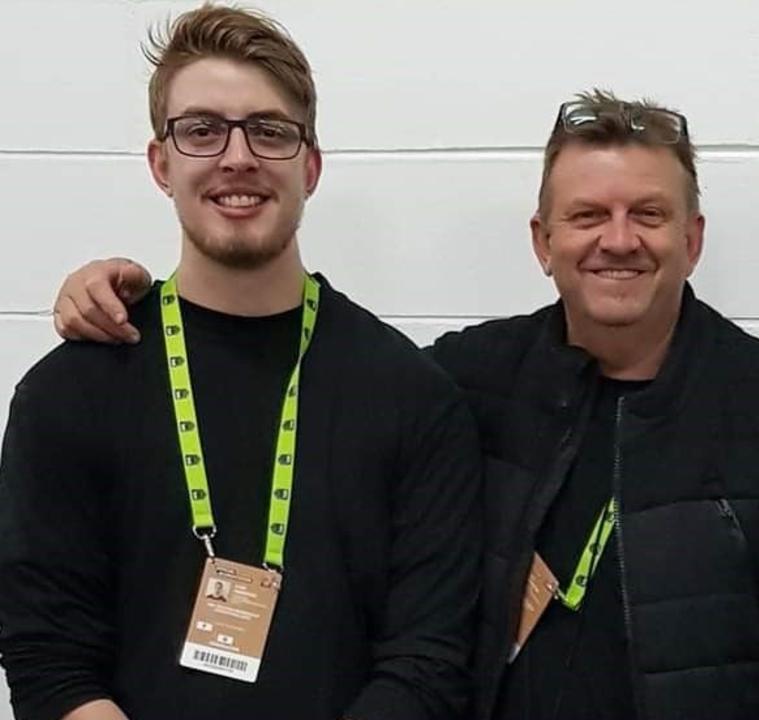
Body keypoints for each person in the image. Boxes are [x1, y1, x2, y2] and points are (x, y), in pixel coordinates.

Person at [47, 91, 759, 719]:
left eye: (648, 215)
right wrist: (129, 296)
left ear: (691, 240)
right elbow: (293, 370)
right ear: (543, 242)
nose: (617, 239)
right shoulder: (466, 381)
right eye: (586, 215)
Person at [0, 6, 481, 720]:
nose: (237, 157)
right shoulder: (71, 389)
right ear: (162, 164)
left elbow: (428, 659)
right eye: (202, 130)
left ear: (309, 166)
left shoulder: (411, 394)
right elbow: (47, 651)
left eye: (269, 130)